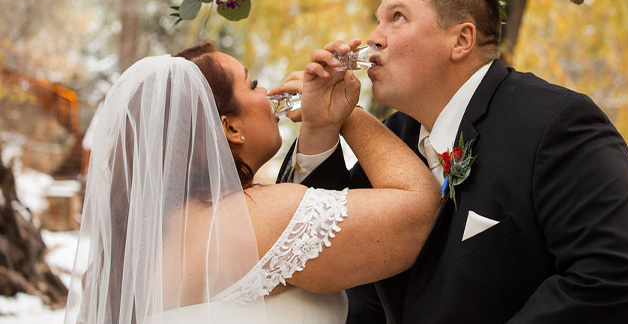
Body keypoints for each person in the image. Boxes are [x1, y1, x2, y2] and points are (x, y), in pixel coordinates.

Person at [280, 0, 628, 323]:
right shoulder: (398, 135)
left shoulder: (554, 121)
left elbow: (613, 270)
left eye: (397, 17)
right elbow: (338, 249)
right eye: (377, 21)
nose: (374, 38)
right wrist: (319, 129)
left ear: (461, 40)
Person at [64, 53, 439, 324]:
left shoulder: (127, 253)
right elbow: (419, 210)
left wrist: (320, 128)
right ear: (230, 128)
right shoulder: (259, 217)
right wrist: (349, 115)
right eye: (253, 84)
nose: (268, 93)